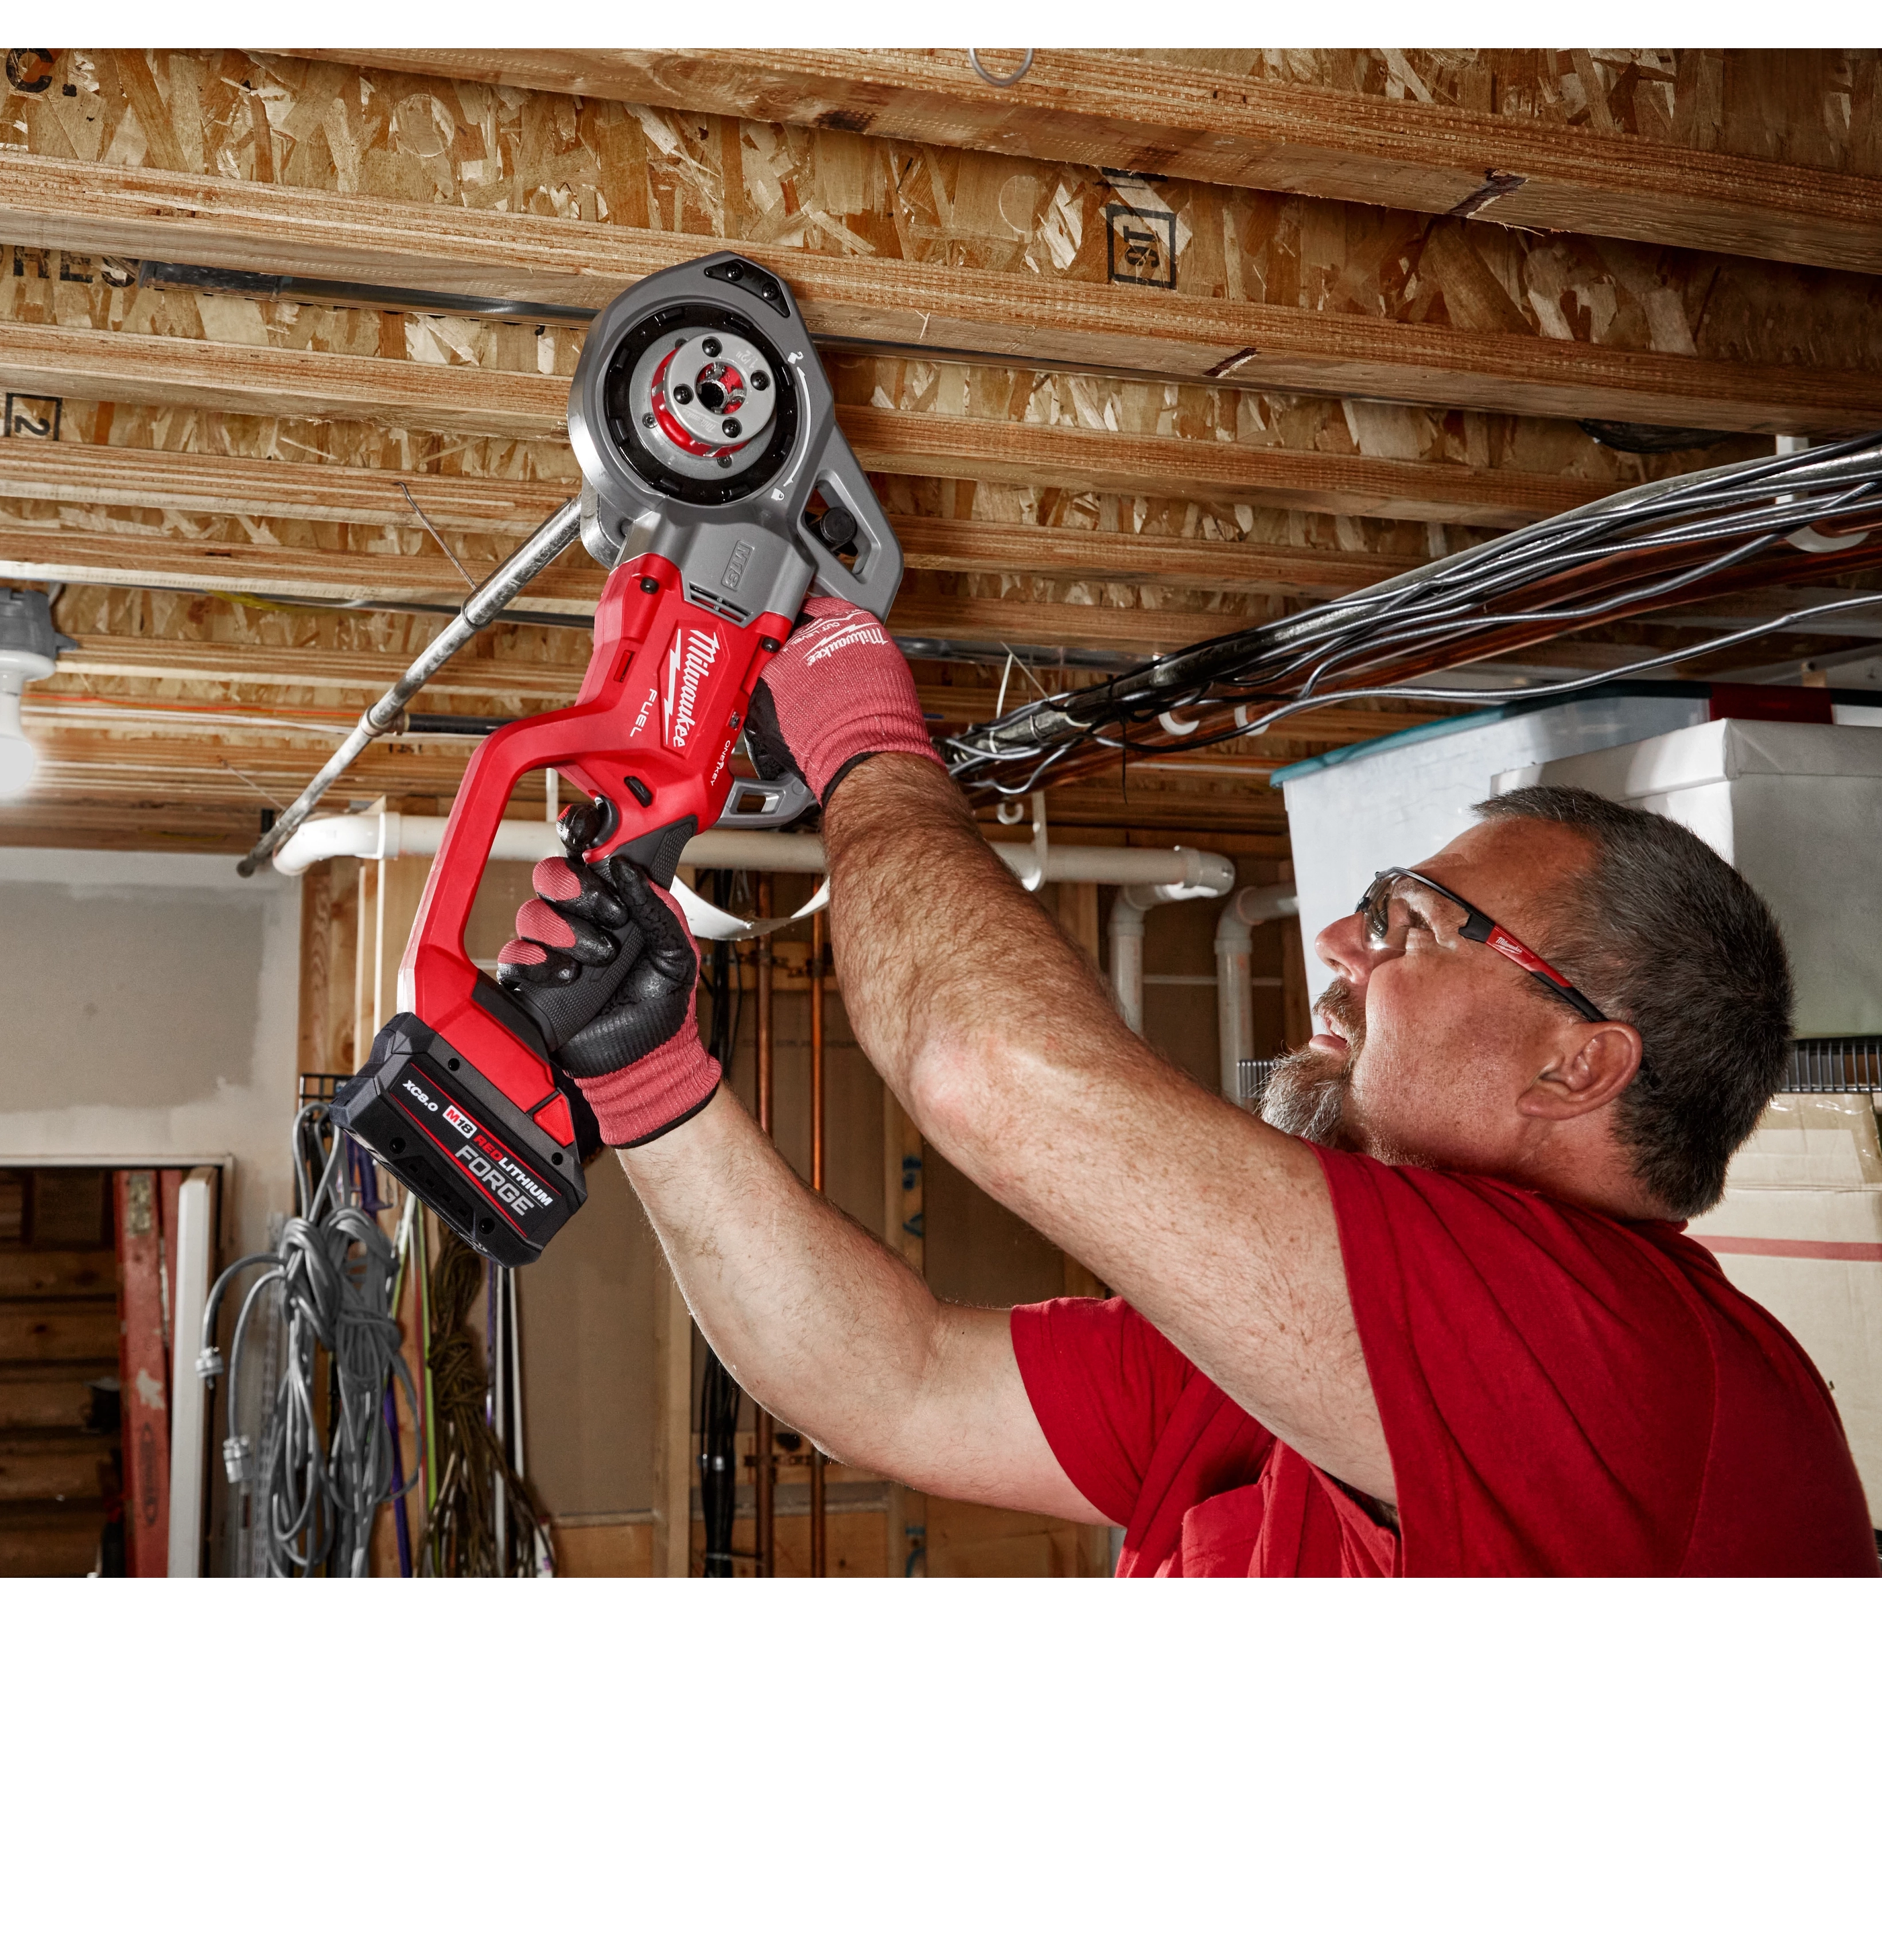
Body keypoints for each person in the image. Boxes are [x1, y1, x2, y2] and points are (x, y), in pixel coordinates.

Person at [496, 597, 1879, 1578]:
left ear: (1577, 1058)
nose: (1338, 942)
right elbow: (896, 1383)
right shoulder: (1303, 1345)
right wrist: (648, 1079)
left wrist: (858, 720)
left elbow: (992, 1074)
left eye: (1406, 920)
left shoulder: (1626, 1364)